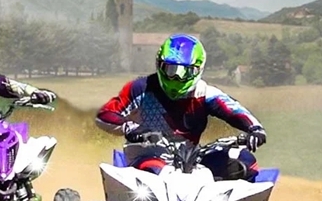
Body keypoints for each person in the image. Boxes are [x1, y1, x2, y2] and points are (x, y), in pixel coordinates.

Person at [95, 33, 267, 181]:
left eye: (185, 72)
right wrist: (130, 128)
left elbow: (234, 110)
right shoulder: (141, 88)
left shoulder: (205, 93)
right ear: (159, 65)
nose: (176, 78)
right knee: (154, 173)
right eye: (170, 70)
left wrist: (255, 129)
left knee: (245, 162)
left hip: (192, 159)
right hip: (148, 155)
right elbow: (105, 114)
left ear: (198, 70)